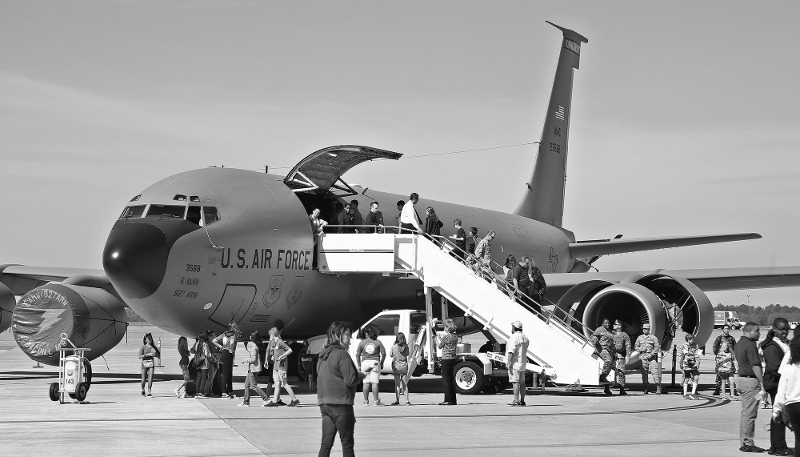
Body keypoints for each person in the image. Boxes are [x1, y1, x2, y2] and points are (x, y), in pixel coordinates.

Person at [317, 321, 367, 457]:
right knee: (347, 445)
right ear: (337, 335)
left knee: (325, 444)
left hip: (325, 404)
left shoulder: (322, 355)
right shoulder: (342, 354)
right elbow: (350, 380)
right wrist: (361, 375)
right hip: (341, 404)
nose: (350, 339)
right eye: (347, 335)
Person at [760, 318, 791, 455]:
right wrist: (790, 376)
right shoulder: (771, 346)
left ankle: (775, 446)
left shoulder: (784, 343)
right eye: (782, 329)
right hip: (776, 383)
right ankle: (779, 447)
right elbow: (775, 367)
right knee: (779, 414)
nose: (785, 332)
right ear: (774, 330)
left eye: (787, 329)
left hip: (780, 383)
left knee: (777, 414)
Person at [735, 322, 768, 453]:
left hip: (741, 379)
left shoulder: (739, 343)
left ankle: (744, 441)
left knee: (745, 413)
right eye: (757, 331)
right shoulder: (750, 345)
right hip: (750, 381)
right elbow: (755, 365)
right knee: (750, 414)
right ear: (748, 332)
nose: (759, 333)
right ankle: (748, 442)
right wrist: (762, 384)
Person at [772, 335, 800, 456]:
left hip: (793, 406)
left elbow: (782, 391)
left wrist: (776, 410)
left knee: (798, 439)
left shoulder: (789, 368)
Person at [264, 326, 299, 407]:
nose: (270, 337)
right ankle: (275, 401)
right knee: (277, 384)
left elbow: (290, 350)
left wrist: (282, 356)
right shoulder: (274, 343)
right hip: (276, 367)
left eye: (270, 335)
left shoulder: (280, 342)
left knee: (284, 383)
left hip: (281, 367)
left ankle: (294, 400)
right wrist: (272, 358)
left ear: (273, 335)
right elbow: (271, 351)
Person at [356, 326, 386, 406]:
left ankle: (365, 401)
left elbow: (357, 354)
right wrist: (382, 362)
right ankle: (376, 401)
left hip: (365, 363)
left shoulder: (362, 342)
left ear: (367, 334)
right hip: (375, 363)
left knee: (366, 382)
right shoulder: (378, 342)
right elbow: (383, 353)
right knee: (374, 382)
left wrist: (359, 365)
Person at [239, 331, 270, 407]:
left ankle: (266, 398)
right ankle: (246, 402)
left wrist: (244, 360)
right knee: (246, 385)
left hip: (253, 369)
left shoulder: (254, 347)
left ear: (252, 338)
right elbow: (253, 354)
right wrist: (246, 347)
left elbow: (253, 359)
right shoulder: (257, 346)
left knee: (253, 385)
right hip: (254, 368)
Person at [212, 321, 240, 399]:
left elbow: (214, 341)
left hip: (224, 353)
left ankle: (230, 392)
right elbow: (232, 343)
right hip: (228, 353)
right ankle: (224, 392)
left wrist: (221, 347)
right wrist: (231, 350)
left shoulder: (224, 334)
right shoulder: (232, 335)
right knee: (226, 374)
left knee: (228, 373)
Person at [435, 318, 459, 405]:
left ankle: (447, 399)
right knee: (451, 379)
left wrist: (435, 339)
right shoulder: (455, 337)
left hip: (446, 358)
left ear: (448, 328)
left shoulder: (446, 337)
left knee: (446, 379)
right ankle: (453, 399)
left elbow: (440, 346)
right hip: (453, 358)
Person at [506, 320, 530, 407]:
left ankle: (516, 401)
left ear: (514, 328)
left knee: (515, 382)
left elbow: (511, 351)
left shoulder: (514, 338)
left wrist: (508, 362)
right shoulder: (525, 338)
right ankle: (522, 400)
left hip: (515, 363)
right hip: (522, 363)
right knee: (522, 382)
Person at [634, 323, 662, 394]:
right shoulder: (640, 338)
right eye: (643, 329)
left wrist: (651, 354)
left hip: (651, 358)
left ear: (649, 329)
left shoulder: (653, 338)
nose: (644, 330)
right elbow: (636, 347)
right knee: (644, 374)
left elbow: (657, 347)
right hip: (643, 357)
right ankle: (645, 388)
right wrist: (640, 349)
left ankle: (658, 387)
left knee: (655, 372)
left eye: (646, 329)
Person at [713, 324, 738, 396]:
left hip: (730, 359)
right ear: (723, 329)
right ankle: (717, 388)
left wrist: (733, 356)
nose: (727, 330)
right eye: (725, 328)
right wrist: (719, 355)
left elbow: (735, 347)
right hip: (722, 358)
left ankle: (732, 391)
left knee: (731, 374)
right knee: (719, 374)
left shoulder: (732, 338)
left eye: (728, 329)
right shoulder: (719, 338)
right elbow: (715, 347)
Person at [592, 318, 615, 395]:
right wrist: (596, 343)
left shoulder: (609, 331)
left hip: (609, 350)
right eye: (606, 323)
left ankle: (606, 386)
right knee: (608, 361)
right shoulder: (599, 329)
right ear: (602, 324)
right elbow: (594, 337)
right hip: (602, 349)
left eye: (608, 323)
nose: (608, 324)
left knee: (611, 366)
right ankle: (602, 377)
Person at [678, 333, 701, 400]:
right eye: (690, 339)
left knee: (696, 377)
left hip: (694, 364)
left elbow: (698, 354)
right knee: (687, 379)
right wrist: (694, 356)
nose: (692, 340)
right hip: (687, 365)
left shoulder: (695, 345)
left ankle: (693, 393)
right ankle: (685, 394)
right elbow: (686, 356)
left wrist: (698, 363)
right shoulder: (684, 346)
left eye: (692, 339)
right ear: (687, 340)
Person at [611, 320, 631, 395]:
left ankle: (621, 389)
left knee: (621, 372)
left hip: (620, 355)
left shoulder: (624, 335)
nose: (613, 325)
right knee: (608, 371)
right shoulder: (611, 334)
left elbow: (628, 346)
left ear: (619, 326)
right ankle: (607, 388)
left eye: (615, 324)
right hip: (612, 355)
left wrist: (628, 356)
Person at [390, 332, 410, 406]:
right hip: (404, 366)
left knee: (397, 384)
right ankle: (407, 401)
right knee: (404, 384)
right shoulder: (406, 347)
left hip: (396, 367)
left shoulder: (394, 346)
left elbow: (391, 355)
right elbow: (407, 354)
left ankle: (397, 400)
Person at [139, 333, 160, 398]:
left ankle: (149, 391)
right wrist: (147, 355)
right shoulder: (143, 347)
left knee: (150, 378)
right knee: (143, 379)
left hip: (151, 364)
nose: (149, 340)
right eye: (148, 338)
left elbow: (158, 356)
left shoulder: (153, 347)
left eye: (150, 338)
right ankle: (143, 389)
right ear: (145, 340)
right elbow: (139, 356)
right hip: (144, 364)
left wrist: (155, 354)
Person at [192, 332, 210, 398]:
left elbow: (193, 351)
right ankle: (201, 391)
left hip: (197, 361)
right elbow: (206, 354)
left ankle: (197, 391)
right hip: (204, 362)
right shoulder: (205, 344)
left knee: (199, 377)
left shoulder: (196, 343)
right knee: (204, 378)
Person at [205, 329, 221, 397]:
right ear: (209, 337)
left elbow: (218, 351)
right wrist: (215, 354)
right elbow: (208, 353)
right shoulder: (207, 343)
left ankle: (210, 391)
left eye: (215, 335)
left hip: (216, 361)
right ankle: (205, 391)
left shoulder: (215, 343)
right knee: (210, 377)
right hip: (210, 362)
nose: (215, 337)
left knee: (213, 377)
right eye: (213, 336)